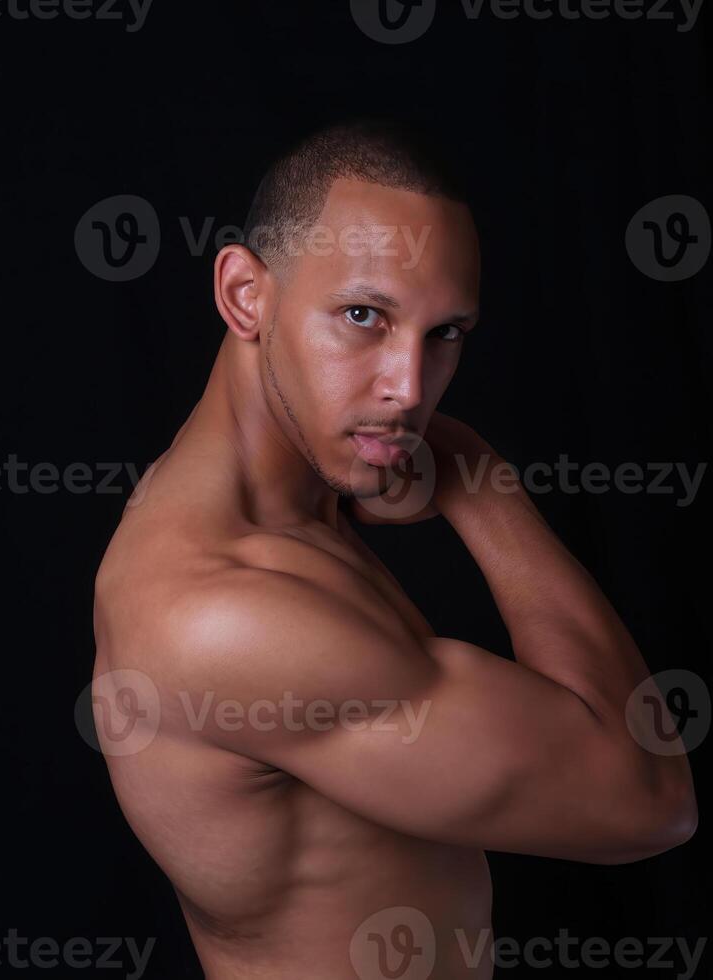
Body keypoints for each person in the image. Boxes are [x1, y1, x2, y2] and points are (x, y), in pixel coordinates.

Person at [92, 118, 697, 979]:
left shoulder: (281, 508)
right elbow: (648, 800)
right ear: (243, 295)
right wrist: (475, 479)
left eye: (444, 333)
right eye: (363, 316)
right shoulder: (225, 614)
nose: (408, 388)